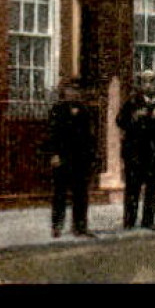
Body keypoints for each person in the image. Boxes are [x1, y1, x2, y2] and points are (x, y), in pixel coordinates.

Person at [117, 68, 155, 231]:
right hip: (135, 153)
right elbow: (120, 121)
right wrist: (135, 117)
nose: (149, 85)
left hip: (154, 153)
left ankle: (148, 220)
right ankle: (129, 221)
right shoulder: (133, 102)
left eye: (152, 82)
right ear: (140, 84)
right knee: (132, 188)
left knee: (152, 188)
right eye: (145, 82)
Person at [46, 78, 98, 238]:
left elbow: (90, 136)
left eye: (76, 90)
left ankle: (80, 227)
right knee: (59, 193)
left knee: (81, 194)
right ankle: (57, 226)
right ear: (65, 92)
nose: (73, 93)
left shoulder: (85, 110)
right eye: (70, 90)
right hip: (62, 158)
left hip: (80, 159)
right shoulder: (57, 109)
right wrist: (53, 154)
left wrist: (91, 157)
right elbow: (51, 134)